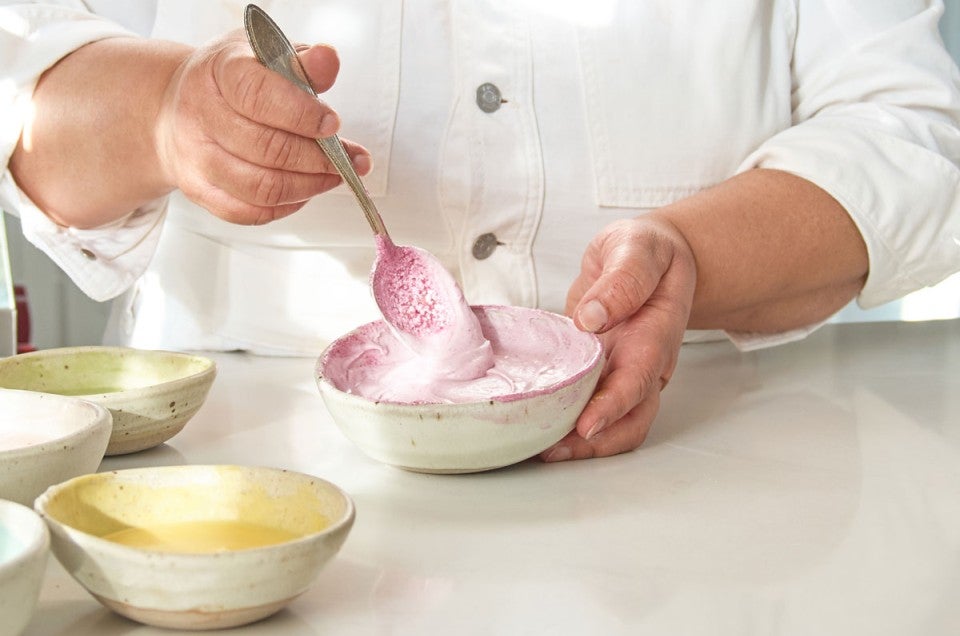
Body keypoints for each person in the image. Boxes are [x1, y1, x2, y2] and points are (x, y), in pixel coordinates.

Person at [2, 1, 959, 462]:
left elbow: (912, 138)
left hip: (704, 455)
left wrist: (693, 255)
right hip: (252, 478)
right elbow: (25, 96)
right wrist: (162, 111)